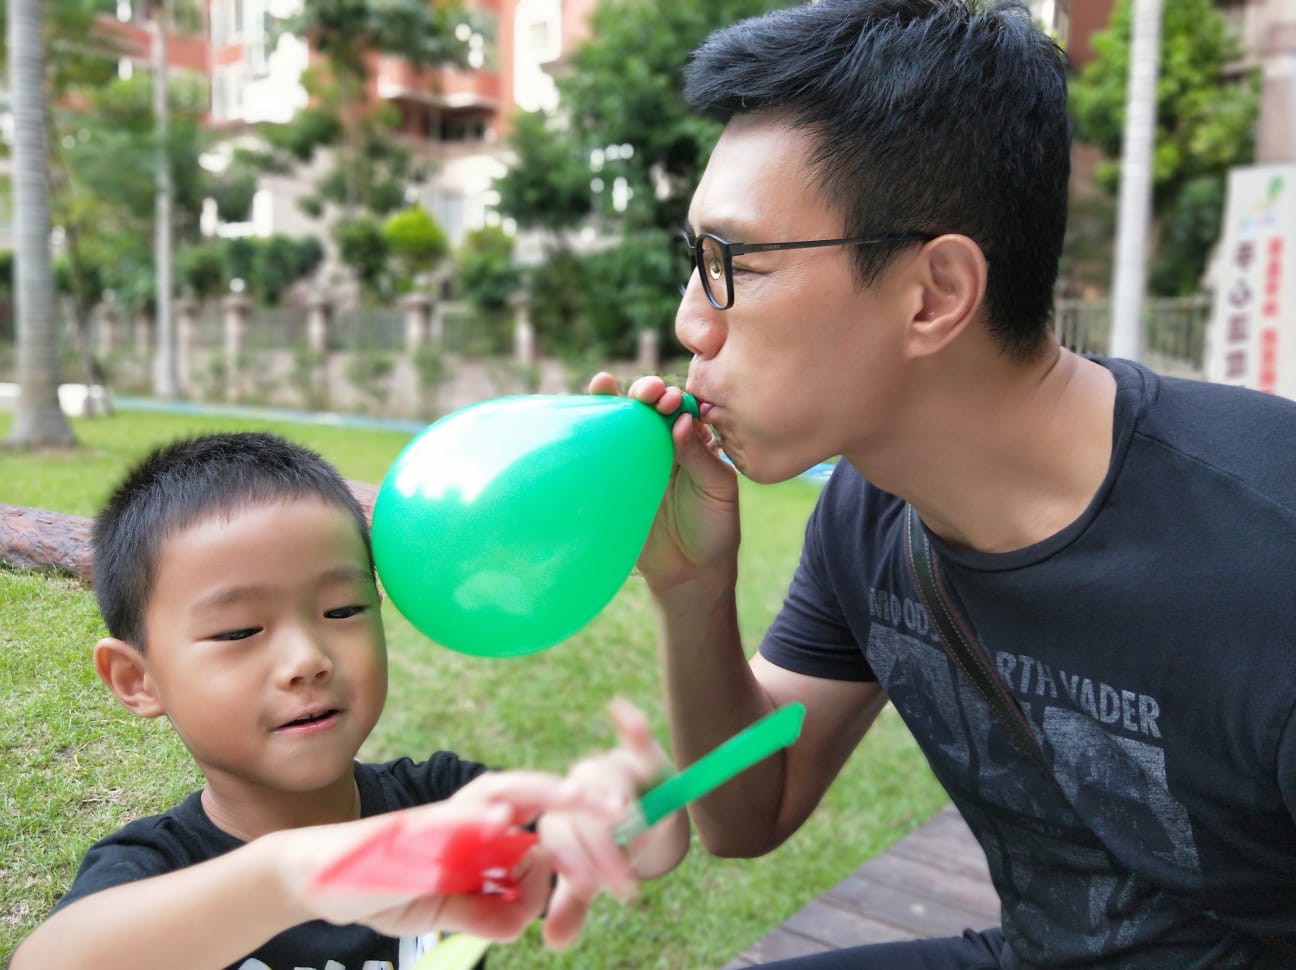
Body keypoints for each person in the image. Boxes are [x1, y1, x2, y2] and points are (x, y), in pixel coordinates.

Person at [589, 0, 1296, 967]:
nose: (691, 325)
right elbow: (750, 806)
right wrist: (693, 590)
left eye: (735, 264)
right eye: (695, 261)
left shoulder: (1269, 549)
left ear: (936, 294)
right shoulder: (872, 508)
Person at [9, 432, 688, 970]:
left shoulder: (442, 806)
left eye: (342, 609)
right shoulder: (151, 873)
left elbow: (650, 851)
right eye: (241, 630)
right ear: (137, 679)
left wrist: (624, 806)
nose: (307, 659)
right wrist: (296, 876)